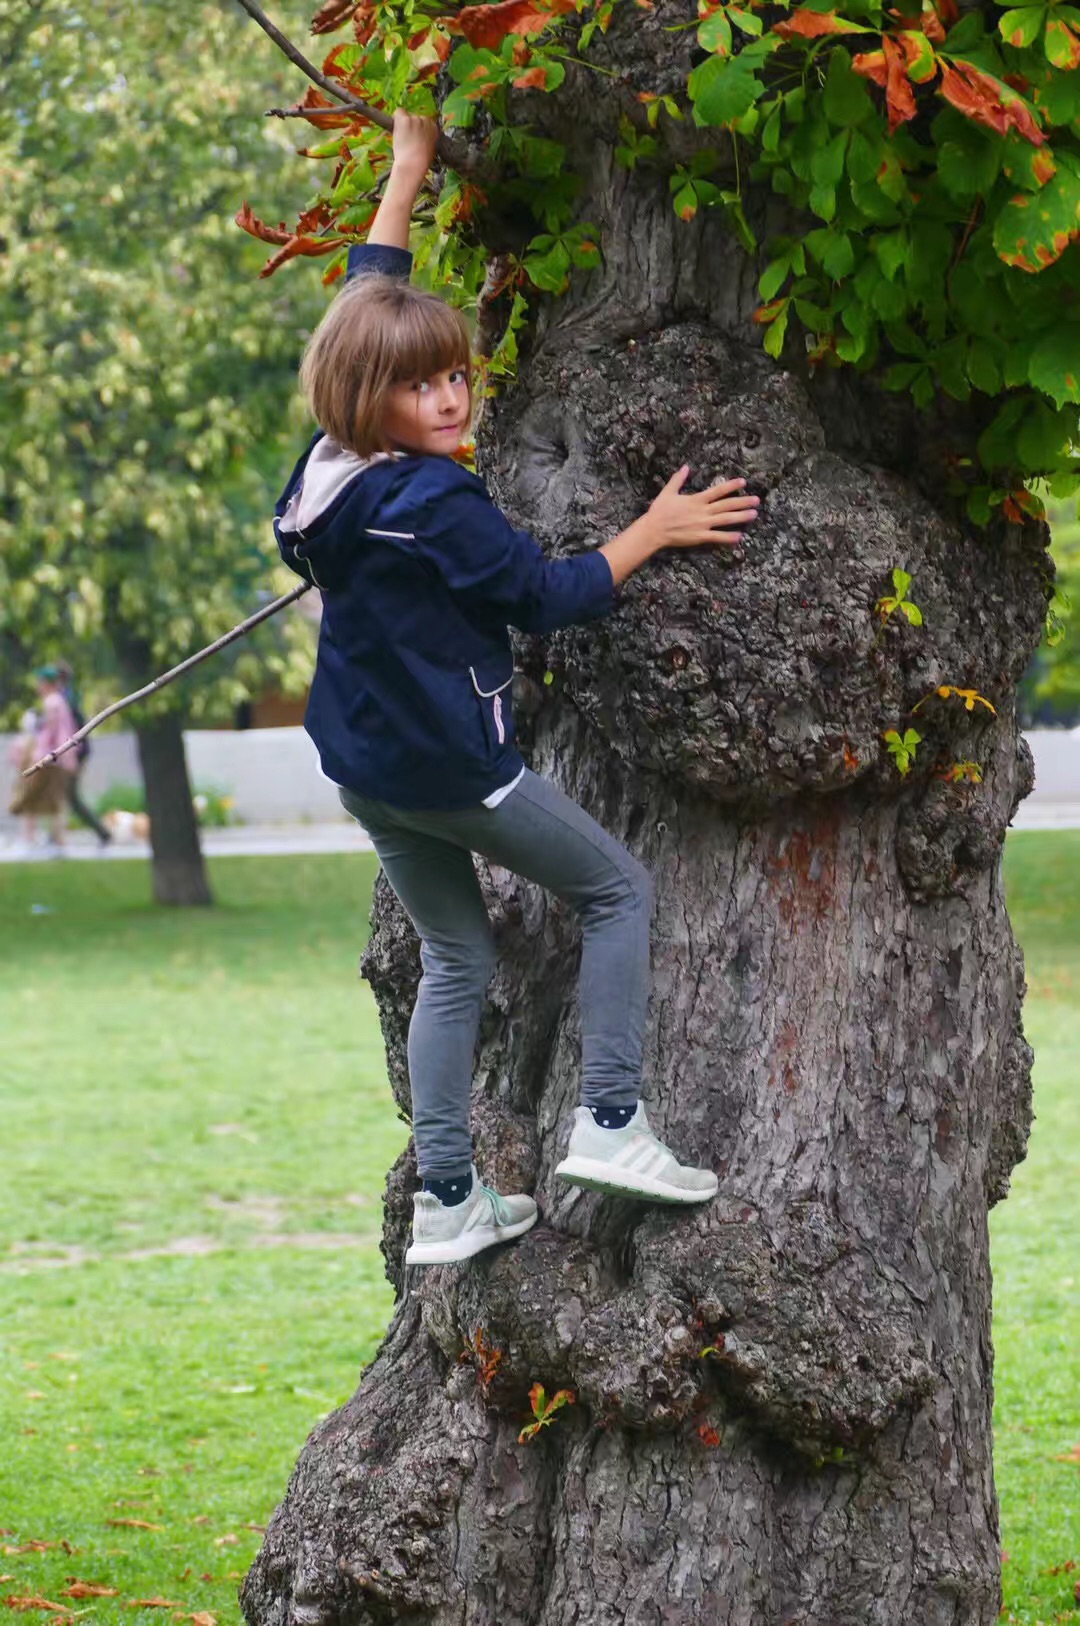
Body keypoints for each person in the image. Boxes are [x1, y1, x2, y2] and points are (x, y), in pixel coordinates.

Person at [275, 112, 761, 1267]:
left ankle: (449, 1200)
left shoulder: (325, 474)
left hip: (365, 764)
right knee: (615, 892)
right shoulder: (436, 503)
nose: (451, 402)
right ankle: (612, 1121)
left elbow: (365, 295)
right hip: (455, 766)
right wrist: (656, 527)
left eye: (457, 376)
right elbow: (548, 594)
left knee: (456, 956)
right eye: (422, 390)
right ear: (365, 395)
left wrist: (404, 177)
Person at [7, 671, 79, 855]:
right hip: (58, 758)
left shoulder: (52, 702)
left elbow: (50, 732)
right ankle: (57, 841)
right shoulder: (60, 702)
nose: (38, 687)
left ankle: (31, 840)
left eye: (40, 682)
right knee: (54, 801)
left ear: (46, 683)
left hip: (50, 758)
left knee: (31, 796)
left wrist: (35, 755)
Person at [55, 661, 112, 848]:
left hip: (75, 752)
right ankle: (55, 835)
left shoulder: (66, 699)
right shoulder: (68, 696)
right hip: (75, 751)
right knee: (63, 793)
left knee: (70, 795)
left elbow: (68, 729)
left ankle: (103, 833)